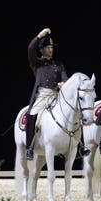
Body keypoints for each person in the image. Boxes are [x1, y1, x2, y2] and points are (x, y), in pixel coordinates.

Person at [26, 28, 69, 160]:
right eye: (47, 47)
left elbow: (65, 79)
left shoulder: (59, 64)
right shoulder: (37, 63)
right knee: (32, 115)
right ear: (42, 50)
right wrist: (39, 36)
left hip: (56, 96)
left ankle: (76, 145)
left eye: (51, 47)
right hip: (42, 96)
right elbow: (30, 49)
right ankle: (29, 147)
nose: (51, 49)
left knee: (71, 113)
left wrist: (64, 84)